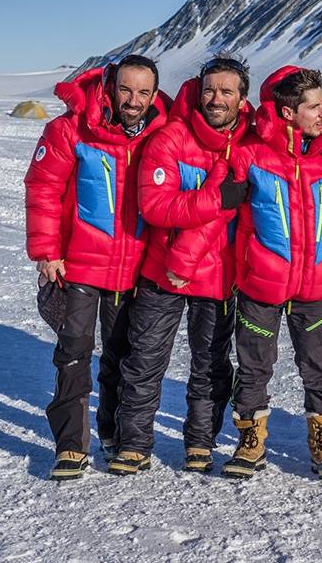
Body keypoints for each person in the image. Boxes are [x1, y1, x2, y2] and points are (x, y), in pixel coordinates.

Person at [24, 55, 171, 480]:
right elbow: (44, 188)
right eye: (126, 89)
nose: (133, 100)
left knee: (121, 358)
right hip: (78, 267)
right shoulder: (70, 128)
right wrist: (46, 251)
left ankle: (110, 432)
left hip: (134, 268)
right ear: (110, 85)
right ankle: (71, 445)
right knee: (73, 355)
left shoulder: (161, 134)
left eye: (144, 92)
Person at [106, 55, 253, 476]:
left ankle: (200, 444)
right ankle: (134, 445)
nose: (216, 99)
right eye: (209, 89)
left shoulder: (249, 146)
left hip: (219, 277)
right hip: (161, 273)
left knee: (210, 365)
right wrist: (216, 200)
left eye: (226, 91)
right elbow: (155, 207)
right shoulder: (171, 138)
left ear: (242, 99)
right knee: (145, 360)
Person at [223, 66, 322, 481]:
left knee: (320, 367)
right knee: (253, 367)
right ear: (286, 114)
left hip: (315, 283)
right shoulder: (249, 153)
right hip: (260, 283)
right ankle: (250, 439)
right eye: (314, 107)